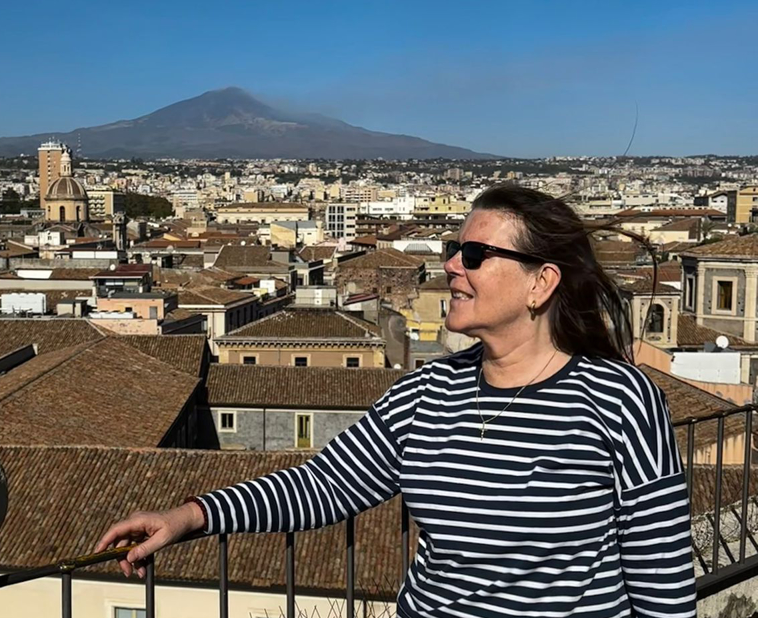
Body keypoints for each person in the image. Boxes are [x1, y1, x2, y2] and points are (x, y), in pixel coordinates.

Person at [96, 185, 696, 618]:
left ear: (541, 283)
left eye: (477, 256)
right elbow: (322, 486)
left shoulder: (618, 402)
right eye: (452, 248)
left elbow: (663, 586)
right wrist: (191, 517)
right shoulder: (425, 394)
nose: (452, 267)